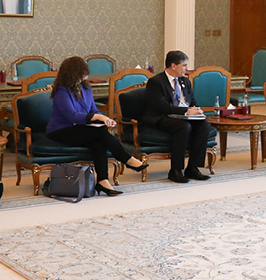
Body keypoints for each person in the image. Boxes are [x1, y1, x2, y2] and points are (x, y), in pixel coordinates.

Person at [45, 56, 148, 196]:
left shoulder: (85, 87)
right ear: (72, 74)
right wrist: (98, 117)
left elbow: (93, 109)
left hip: (81, 128)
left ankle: (103, 181)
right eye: (81, 74)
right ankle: (127, 159)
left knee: (98, 143)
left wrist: (105, 119)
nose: (84, 77)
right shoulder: (61, 91)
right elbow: (71, 115)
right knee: (99, 134)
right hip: (60, 130)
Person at [141, 50, 210, 183]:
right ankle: (176, 170)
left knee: (204, 125)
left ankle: (193, 168)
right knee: (182, 126)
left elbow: (192, 101)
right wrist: (186, 111)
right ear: (173, 66)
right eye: (184, 65)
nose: (187, 69)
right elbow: (161, 107)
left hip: (183, 115)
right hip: (161, 117)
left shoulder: (185, 81)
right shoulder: (156, 82)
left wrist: (196, 110)